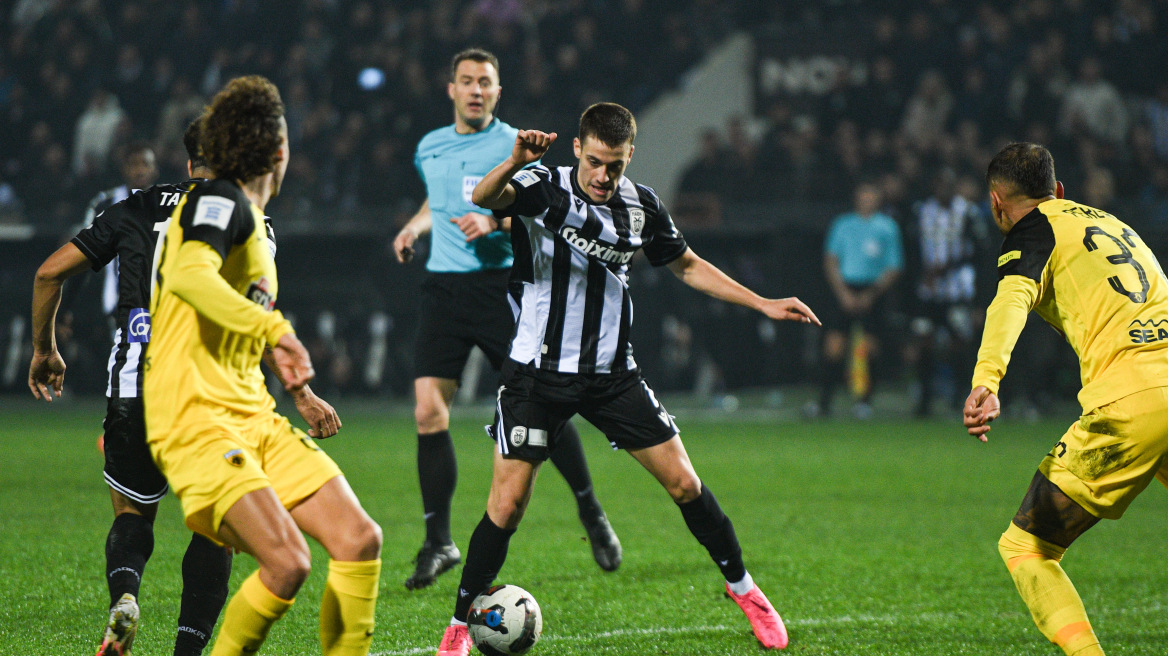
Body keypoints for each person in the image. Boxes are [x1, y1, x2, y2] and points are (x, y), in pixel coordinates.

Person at [434, 103, 820, 656]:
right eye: (594, 161)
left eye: (614, 165)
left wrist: (762, 302)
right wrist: (515, 160)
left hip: (612, 374)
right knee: (508, 505)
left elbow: (686, 264)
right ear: (577, 149)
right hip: (536, 375)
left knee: (685, 484)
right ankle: (458, 626)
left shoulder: (642, 206)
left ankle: (745, 590)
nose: (602, 175)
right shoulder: (543, 186)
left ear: (629, 156)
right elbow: (485, 197)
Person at [144, 76, 382, 656]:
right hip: (195, 418)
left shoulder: (249, 219)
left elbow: (240, 311)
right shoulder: (217, 201)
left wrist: (295, 384)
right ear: (280, 149)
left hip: (252, 414)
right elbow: (189, 276)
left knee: (358, 539)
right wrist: (275, 328)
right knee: (287, 561)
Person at [29, 120, 262, 656]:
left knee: (132, 513)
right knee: (215, 530)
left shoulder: (134, 207)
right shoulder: (249, 220)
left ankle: (126, 597)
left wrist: (44, 350)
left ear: (187, 161)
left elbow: (47, 274)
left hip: (136, 383)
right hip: (209, 395)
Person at [392, 48, 620, 590]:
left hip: (502, 289)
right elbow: (436, 201)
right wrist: (415, 227)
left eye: (485, 82)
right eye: (467, 80)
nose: (476, 90)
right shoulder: (429, 146)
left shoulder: (516, 146)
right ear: (451, 89)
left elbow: (542, 215)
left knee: (544, 406)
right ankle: (438, 542)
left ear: (498, 91)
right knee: (428, 411)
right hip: (443, 289)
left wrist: (494, 224)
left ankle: (590, 509)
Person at [964, 142, 1168, 656]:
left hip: (1132, 400)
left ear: (996, 203)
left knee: (1026, 547)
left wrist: (987, 378)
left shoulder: (1033, 231)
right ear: (1057, 189)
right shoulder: (1113, 224)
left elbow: (1010, 301)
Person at [809, 181, 902, 418]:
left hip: (873, 290)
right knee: (834, 346)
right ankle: (824, 402)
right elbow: (831, 260)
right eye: (863, 194)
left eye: (871, 194)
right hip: (845, 288)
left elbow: (894, 266)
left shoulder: (887, 227)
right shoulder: (843, 224)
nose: (866, 199)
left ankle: (864, 402)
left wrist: (871, 294)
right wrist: (843, 293)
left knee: (870, 348)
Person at [82, 142, 159, 327]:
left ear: (155, 169)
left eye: (145, 164)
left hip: (160, 302)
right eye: (134, 164)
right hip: (115, 303)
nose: (140, 171)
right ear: (124, 169)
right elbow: (86, 252)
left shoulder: (170, 202)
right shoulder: (104, 203)